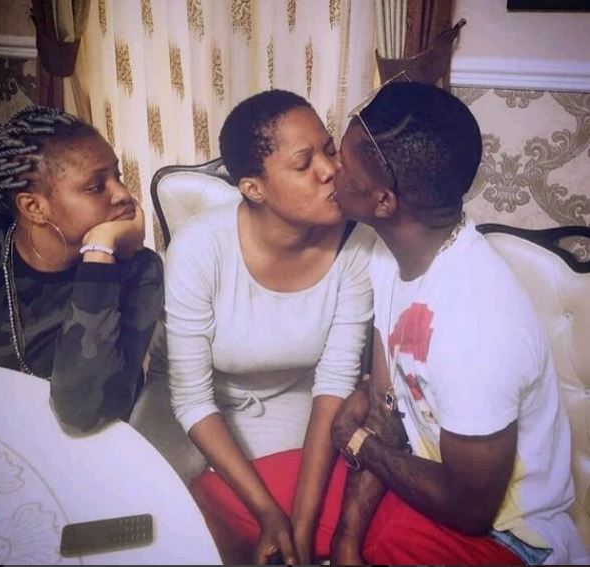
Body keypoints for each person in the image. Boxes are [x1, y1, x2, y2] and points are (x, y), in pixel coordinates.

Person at [327, 81, 589, 564]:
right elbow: (386, 408)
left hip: (510, 538)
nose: (330, 171)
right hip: (420, 480)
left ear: (384, 201)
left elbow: (470, 510)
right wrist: (345, 542)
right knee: (230, 501)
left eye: (342, 162)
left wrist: (358, 442)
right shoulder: (387, 255)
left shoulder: (477, 325)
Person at [130, 89, 375, 564]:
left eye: (329, 150)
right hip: (186, 403)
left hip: (291, 398)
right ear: (253, 188)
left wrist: (298, 525)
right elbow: (191, 398)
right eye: (303, 164)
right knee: (158, 523)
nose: (330, 170)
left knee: (303, 532)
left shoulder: (358, 246)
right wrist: (267, 512)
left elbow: (334, 384)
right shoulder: (199, 248)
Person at [0, 106, 163, 434]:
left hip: (89, 447)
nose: (123, 194)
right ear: (33, 207)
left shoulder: (140, 271)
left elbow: (83, 413)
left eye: (118, 176)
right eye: (96, 186)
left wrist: (99, 252)